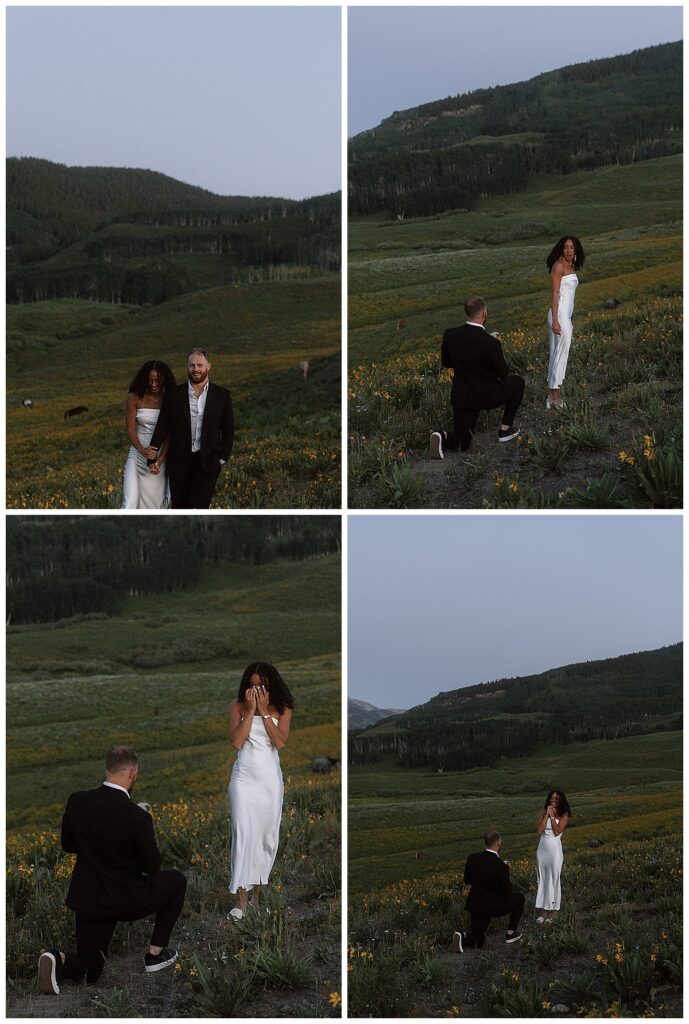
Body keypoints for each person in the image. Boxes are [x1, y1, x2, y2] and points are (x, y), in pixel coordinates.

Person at [37, 746, 187, 994]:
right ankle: (155, 955)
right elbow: (152, 866)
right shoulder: (137, 817)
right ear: (132, 774)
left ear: (107, 770)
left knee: (90, 971)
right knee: (177, 880)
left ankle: (58, 958)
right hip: (126, 900)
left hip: (89, 899)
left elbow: (68, 845)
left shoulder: (77, 801)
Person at [227, 663, 294, 920]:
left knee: (265, 837)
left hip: (269, 782)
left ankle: (256, 898)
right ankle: (241, 902)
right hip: (243, 780)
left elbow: (279, 742)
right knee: (243, 834)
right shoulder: (238, 706)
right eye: (252, 685)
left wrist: (265, 713)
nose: (256, 689)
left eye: (261, 685)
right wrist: (251, 712)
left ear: (270, 685)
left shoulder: (284, 708)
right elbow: (236, 742)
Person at [430, 297, 525, 457]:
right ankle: (505, 430)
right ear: (484, 314)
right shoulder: (490, 343)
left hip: (463, 397)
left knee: (463, 441)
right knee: (518, 382)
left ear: (467, 314)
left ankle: (442, 436)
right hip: (487, 396)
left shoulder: (450, 335)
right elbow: (502, 373)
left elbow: (446, 363)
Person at [147, 349, 234, 508]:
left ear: (208, 367)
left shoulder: (222, 395)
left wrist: (222, 458)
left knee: (200, 508)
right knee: (179, 508)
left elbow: (228, 430)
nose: (196, 369)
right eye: (192, 365)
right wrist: (151, 458)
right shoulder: (173, 395)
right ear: (187, 367)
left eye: (200, 365)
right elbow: (162, 426)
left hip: (207, 463)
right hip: (178, 463)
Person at [452, 830, 524, 952]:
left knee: (478, 942)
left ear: (486, 843)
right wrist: (505, 871)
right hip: (494, 906)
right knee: (520, 898)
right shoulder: (501, 866)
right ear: (498, 844)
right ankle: (510, 934)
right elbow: (507, 891)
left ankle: (462, 936)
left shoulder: (472, 858)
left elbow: (467, 880)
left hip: (477, 905)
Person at [122, 360, 176, 509]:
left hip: (159, 459)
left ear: (164, 380)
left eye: (157, 381)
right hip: (137, 454)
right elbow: (130, 429)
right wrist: (142, 451)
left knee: (152, 505)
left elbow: (170, 433)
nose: (153, 384)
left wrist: (160, 459)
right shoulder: (134, 397)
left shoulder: (170, 398)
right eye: (150, 380)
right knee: (129, 502)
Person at [546, 235, 585, 410]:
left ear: (575, 250)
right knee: (560, 355)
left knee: (558, 354)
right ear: (561, 249)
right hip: (558, 315)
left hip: (564, 315)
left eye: (571, 247)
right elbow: (554, 294)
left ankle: (552, 396)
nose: (569, 250)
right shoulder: (559, 265)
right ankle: (554, 398)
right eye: (566, 247)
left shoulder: (571, 265)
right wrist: (555, 320)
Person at [535, 789, 571, 923]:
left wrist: (552, 817)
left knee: (554, 879)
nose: (553, 800)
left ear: (561, 800)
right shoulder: (543, 811)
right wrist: (546, 815)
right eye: (551, 797)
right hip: (542, 850)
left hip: (555, 851)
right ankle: (544, 911)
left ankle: (554, 911)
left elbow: (557, 832)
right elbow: (539, 831)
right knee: (543, 879)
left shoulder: (564, 814)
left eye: (556, 798)